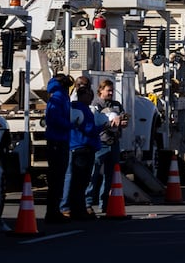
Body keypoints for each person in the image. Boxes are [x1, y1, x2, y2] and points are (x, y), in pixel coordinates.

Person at [87, 79, 127, 213]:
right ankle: (87, 204)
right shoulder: (95, 105)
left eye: (112, 90)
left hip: (114, 143)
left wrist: (123, 121)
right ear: (101, 90)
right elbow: (95, 123)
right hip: (100, 143)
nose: (110, 93)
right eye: (108, 90)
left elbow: (123, 117)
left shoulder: (117, 105)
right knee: (93, 174)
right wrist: (111, 123)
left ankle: (104, 204)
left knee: (110, 176)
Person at [66, 80, 103, 220]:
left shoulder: (73, 108)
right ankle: (78, 210)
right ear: (82, 96)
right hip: (82, 147)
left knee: (78, 180)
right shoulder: (83, 110)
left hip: (77, 147)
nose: (91, 98)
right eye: (89, 95)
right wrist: (103, 127)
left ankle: (76, 208)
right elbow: (89, 129)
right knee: (81, 181)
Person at [42, 73, 71, 223]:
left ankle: (54, 210)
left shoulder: (58, 96)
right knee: (57, 177)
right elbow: (54, 118)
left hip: (57, 139)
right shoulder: (60, 97)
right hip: (58, 140)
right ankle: (52, 211)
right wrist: (70, 124)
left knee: (57, 177)